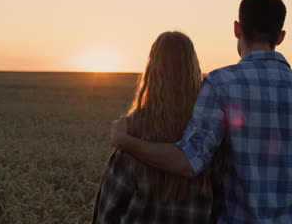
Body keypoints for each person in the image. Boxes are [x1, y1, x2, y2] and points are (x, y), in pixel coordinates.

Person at [111, 0, 292, 223]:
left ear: (237, 29)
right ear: (280, 36)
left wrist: (126, 142)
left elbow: (188, 163)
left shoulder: (220, 84)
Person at [92, 31, 225, 224]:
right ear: (194, 69)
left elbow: (108, 210)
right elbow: (222, 204)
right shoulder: (209, 131)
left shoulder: (131, 130)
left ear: (152, 71)